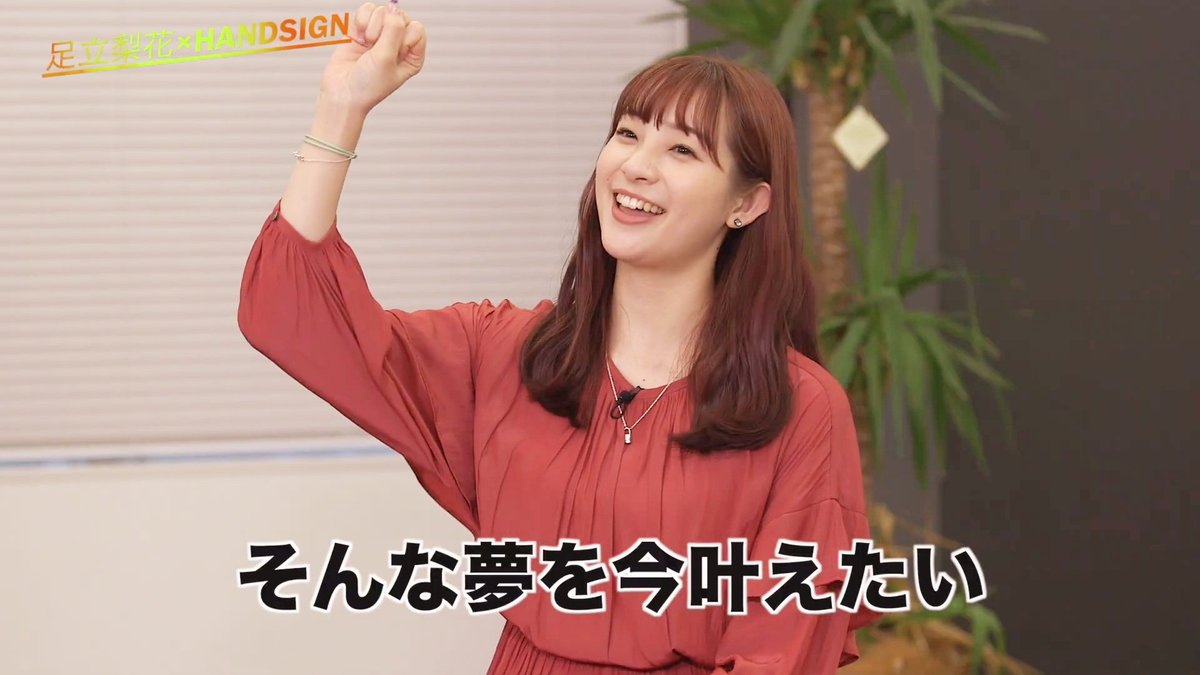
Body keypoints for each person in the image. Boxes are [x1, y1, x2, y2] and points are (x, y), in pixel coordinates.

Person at [238, 3, 879, 672]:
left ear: (746, 204)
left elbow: (780, 650)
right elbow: (291, 312)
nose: (636, 166)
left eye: (682, 150)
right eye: (627, 134)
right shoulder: (505, 353)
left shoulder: (799, 408)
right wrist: (341, 108)